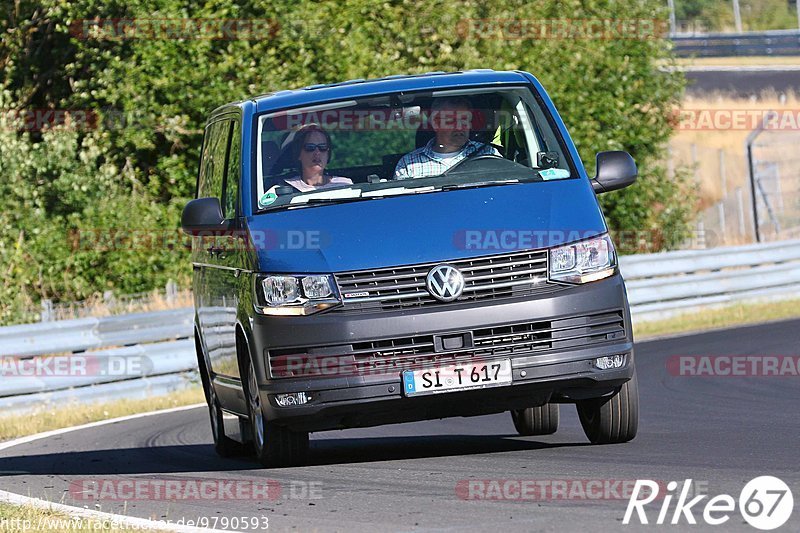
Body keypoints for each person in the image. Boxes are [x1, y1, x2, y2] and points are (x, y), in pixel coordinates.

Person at [394, 97, 499, 179]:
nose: (459, 126)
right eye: (451, 121)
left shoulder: (488, 153)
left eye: (464, 119)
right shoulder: (409, 163)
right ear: (435, 123)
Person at [283, 124, 352, 192]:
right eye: (310, 147)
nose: (317, 153)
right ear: (298, 154)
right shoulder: (283, 188)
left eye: (322, 147)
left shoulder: (345, 184)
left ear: (328, 154)